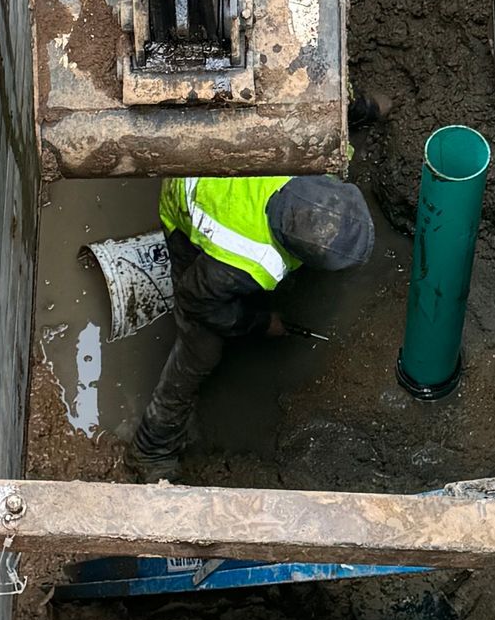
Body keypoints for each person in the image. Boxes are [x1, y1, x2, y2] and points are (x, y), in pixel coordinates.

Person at [130, 172, 376, 475]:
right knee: (200, 350)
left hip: (223, 175)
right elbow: (194, 298)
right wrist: (259, 323)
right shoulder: (248, 257)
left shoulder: (310, 165)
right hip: (187, 198)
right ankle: (150, 449)